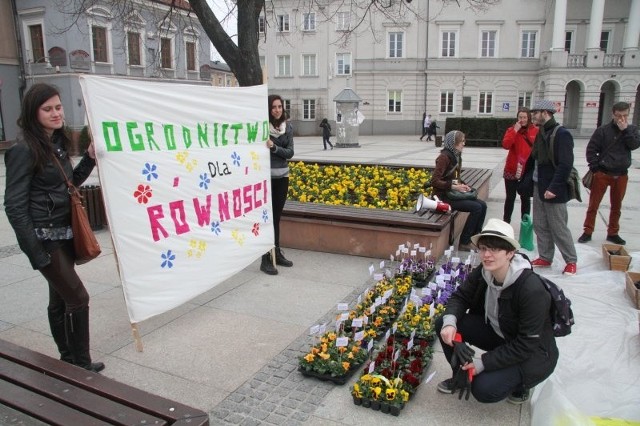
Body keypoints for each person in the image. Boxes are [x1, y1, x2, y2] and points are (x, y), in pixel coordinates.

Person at [4, 83, 104, 372]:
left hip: (64, 234)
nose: (56, 113)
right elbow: (14, 206)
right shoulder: (23, 150)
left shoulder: (55, 146)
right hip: (45, 239)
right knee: (78, 298)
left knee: (60, 300)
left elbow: (69, 183)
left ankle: (68, 360)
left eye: (58, 107)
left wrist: (89, 158)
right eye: (48, 109)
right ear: (33, 113)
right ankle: (81, 365)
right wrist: (35, 252)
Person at [435, 218, 559, 404]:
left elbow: (526, 344)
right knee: (443, 322)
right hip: (500, 334)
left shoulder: (531, 290)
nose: (487, 255)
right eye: (484, 248)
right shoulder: (485, 272)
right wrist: (450, 323)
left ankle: (520, 386)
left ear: (510, 253)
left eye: (495, 249)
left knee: (484, 389)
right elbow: (460, 297)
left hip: (533, 353)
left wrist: (482, 363)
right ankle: (460, 375)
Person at [578, 102, 640, 245]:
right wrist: (595, 168)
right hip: (603, 173)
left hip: (621, 174)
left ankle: (613, 232)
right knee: (593, 205)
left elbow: (634, 145)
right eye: (619, 116)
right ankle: (588, 231)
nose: (622, 119)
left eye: (625, 115)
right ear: (613, 114)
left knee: (616, 206)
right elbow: (591, 149)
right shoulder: (603, 130)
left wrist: (625, 131)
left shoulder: (632, 130)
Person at [528, 99, 578, 275]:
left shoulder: (561, 134)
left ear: (545, 113)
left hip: (553, 188)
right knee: (540, 224)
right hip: (538, 184)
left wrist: (554, 188)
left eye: (535, 112)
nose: (532, 115)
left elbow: (565, 164)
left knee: (558, 226)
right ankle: (545, 256)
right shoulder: (541, 131)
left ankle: (571, 260)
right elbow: (534, 158)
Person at [431, 130, 487, 251]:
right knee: (476, 207)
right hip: (442, 197)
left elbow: (456, 178)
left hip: (451, 193)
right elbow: (434, 181)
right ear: (454, 143)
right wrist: (454, 186)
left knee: (482, 205)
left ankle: (475, 238)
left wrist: (464, 185)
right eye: (461, 141)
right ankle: (464, 242)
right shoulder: (444, 157)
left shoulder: (456, 156)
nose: (464, 144)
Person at [261, 94, 295, 275]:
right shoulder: (262, 129)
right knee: (268, 218)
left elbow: (290, 153)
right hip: (266, 179)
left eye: (279, 107)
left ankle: (277, 252)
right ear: (269, 109)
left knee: (276, 217)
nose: (277, 110)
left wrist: (274, 148)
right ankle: (266, 258)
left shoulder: (287, 127)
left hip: (282, 178)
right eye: (274, 107)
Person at [501, 107, 538, 223]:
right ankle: (506, 222)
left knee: (525, 199)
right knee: (510, 198)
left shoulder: (535, 130)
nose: (522, 120)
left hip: (526, 170)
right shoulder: (511, 130)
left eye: (524, 117)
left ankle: (525, 223)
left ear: (529, 118)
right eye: (520, 117)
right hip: (512, 169)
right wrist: (514, 131)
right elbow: (506, 145)